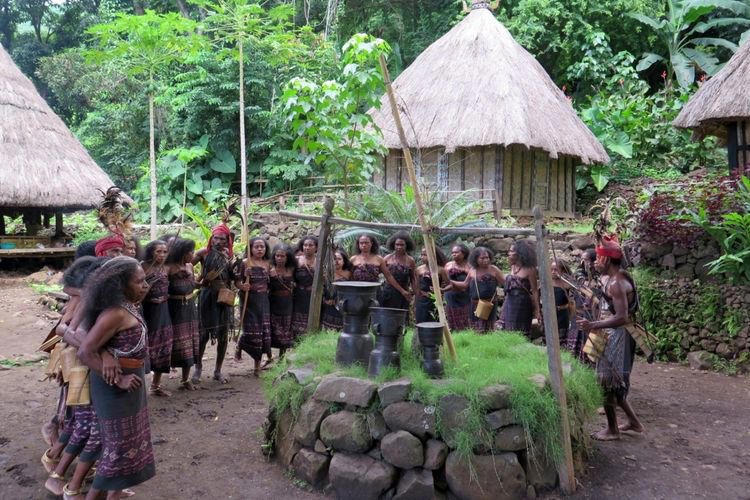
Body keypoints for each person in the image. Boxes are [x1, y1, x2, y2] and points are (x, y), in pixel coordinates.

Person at [77, 256, 156, 499]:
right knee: (117, 447)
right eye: (139, 281)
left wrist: (106, 352)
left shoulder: (129, 305)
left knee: (127, 443)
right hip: (115, 387)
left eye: (145, 280)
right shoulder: (115, 313)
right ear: (119, 285)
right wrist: (118, 379)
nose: (145, 286)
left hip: (132, 384)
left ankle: (114, 494)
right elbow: (84, 351)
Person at [43, 256, 106, 498]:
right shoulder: (88, 300)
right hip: (85, 368)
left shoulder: (95, 299)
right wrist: (100, 354)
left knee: (84, 424)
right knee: (86, 425)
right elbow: (66, 330)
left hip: (87, 367)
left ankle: (64, 471)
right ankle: (60, 475)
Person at [577, 236, 644, 441]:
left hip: (618, 336)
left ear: (606, 260)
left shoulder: (617, 283)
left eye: (598, 258)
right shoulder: (612, 278)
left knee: (607, 382)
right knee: (613, 382)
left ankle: (612, 429)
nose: (595, 263)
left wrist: (593, 325)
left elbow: (622, 317)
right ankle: (634, 423)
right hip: (611, 333)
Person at [193, 224, 235, 384]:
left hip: (224, 297)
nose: (218, 241)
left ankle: (218, 370)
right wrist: (196, 282)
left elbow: (233, 277)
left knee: (223, 335)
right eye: (215, 238)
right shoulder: (203, 253)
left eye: (222, 239)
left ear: (227, 241)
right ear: (211, 238)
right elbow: (186, 265)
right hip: (207, 296)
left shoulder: (229, 256)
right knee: (203, 334)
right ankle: (198, 368)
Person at [166, 238, 199, 390]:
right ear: (182, 253)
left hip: (190, 308)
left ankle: (185, 379)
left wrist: (204, 282)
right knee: (174, 343)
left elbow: (193, 285)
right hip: (175, 309)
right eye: (191, 252)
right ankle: (156, 383)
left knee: (190, 342)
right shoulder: (169, 268)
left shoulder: (190, 266)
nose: (193, 255)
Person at [141, 240, 173, 397]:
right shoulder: (142, 266)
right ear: (150, 252)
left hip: (163, 310)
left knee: (164, 344)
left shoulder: (166, 268)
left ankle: (155, 385)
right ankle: (138, 387)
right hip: (147, 310)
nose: (162, 255)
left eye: (165, 252)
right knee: (144, 346)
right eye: (158, 251)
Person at [236, 237, 272, 376]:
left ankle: (257, 367)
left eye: (262, 247)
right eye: (256, 247)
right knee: (252, 332)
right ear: (251, 249)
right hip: (249, 302)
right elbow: (237, 282)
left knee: (262, 333)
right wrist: (243, 285)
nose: (259, 249)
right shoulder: (245, 263)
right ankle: (241, 345)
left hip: (263, 302)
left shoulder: (268, 264)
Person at [452, 246, 504, 333]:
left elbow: (505, 283)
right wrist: (451, 282)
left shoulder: (494, 269)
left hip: (489, 305)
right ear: (476, 259)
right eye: (482, 258)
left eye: (487, 257)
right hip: (475, 304)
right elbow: (465, 285)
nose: (485, 260)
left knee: (489, 329)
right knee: (476, 329)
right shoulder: (473, 270)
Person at [349, 234, 411, 303]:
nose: (364, 245)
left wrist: (402, 291)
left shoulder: (379, 259)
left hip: (374, 293)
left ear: (371, 243)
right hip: (357, 293)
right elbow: (349, 276)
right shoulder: (353, 259)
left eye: (366, 243)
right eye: (361, 243)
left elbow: (389, 276)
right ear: (358, 244)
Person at [500, 240, 540, 335]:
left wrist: (537, 310)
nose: (509, 253)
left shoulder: (530, 269)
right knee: (507, 330)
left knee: (520, 331)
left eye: (511, 251)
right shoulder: (513, 267)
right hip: (510, 303)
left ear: (519, 253)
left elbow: (534, 291)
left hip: (523, 305)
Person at [268, 244, 296, 357]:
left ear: (287, 257)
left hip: (288, 303)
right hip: (273, 302)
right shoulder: (270, 268)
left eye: (282, 256)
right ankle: (269, 356)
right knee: (271, 329)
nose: (279, 258)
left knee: (285, 329)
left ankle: (282, 357)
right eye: (277, 256)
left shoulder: (292, 269)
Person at [379, 231, 418, 311]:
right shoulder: (387, 258)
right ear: (393, 245)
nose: (399, 247)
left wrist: (416, 294)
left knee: (401, 316)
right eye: (397, 244)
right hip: (389, 293)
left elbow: (413, 278)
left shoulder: (410, 261)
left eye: (402, 245)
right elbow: (379, 273)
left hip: (404, 295)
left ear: (407, 245)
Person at [291, 236, 318, 339]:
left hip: (314, 296)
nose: (307, 247)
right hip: (299, 295)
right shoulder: (297, 261)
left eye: (311, 245)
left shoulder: (320, 262)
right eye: (305, 245)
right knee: (297, 320)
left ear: (316, 247)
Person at [415, 247, 450, 324]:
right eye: (421, 255)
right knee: (421, 321)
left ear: (432, 255)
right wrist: (417, 301)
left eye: (425, 255)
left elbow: (450, 285)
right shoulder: (419, 269)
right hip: (422, 300)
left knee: (434, 320)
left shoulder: (440, 270)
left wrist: (441, 290)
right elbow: (416, 287)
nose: (422, 257)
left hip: (435, 300)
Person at [321, 248, 352, 331]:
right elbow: (321, 291)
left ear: (344, 261)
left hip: (344, 307)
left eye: (339, 259)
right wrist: (325, 301)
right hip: (328, 308)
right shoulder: (326, 274)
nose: (336, 261)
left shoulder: (349, 275)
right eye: (334, 259)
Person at [444, 244, 472, 331]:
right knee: (451, 316)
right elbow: (444, 281)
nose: (454, 254)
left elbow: (467, 284)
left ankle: (464, 334)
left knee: (465, 318)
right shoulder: (448, 265)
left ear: (464, 253)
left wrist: (451, 282)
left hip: (464, 296)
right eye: (452, 252)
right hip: (450, 295)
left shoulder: (470, 266)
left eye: (456, 252)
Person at [551, 260, 574, 349]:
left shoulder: (567, 284)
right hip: (549, 314)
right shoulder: (547, 282)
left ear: (563, 271)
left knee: (560, 341)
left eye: (556, 270)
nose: (553, 272)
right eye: (551, 269)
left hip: (562, 315)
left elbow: (572, 301)